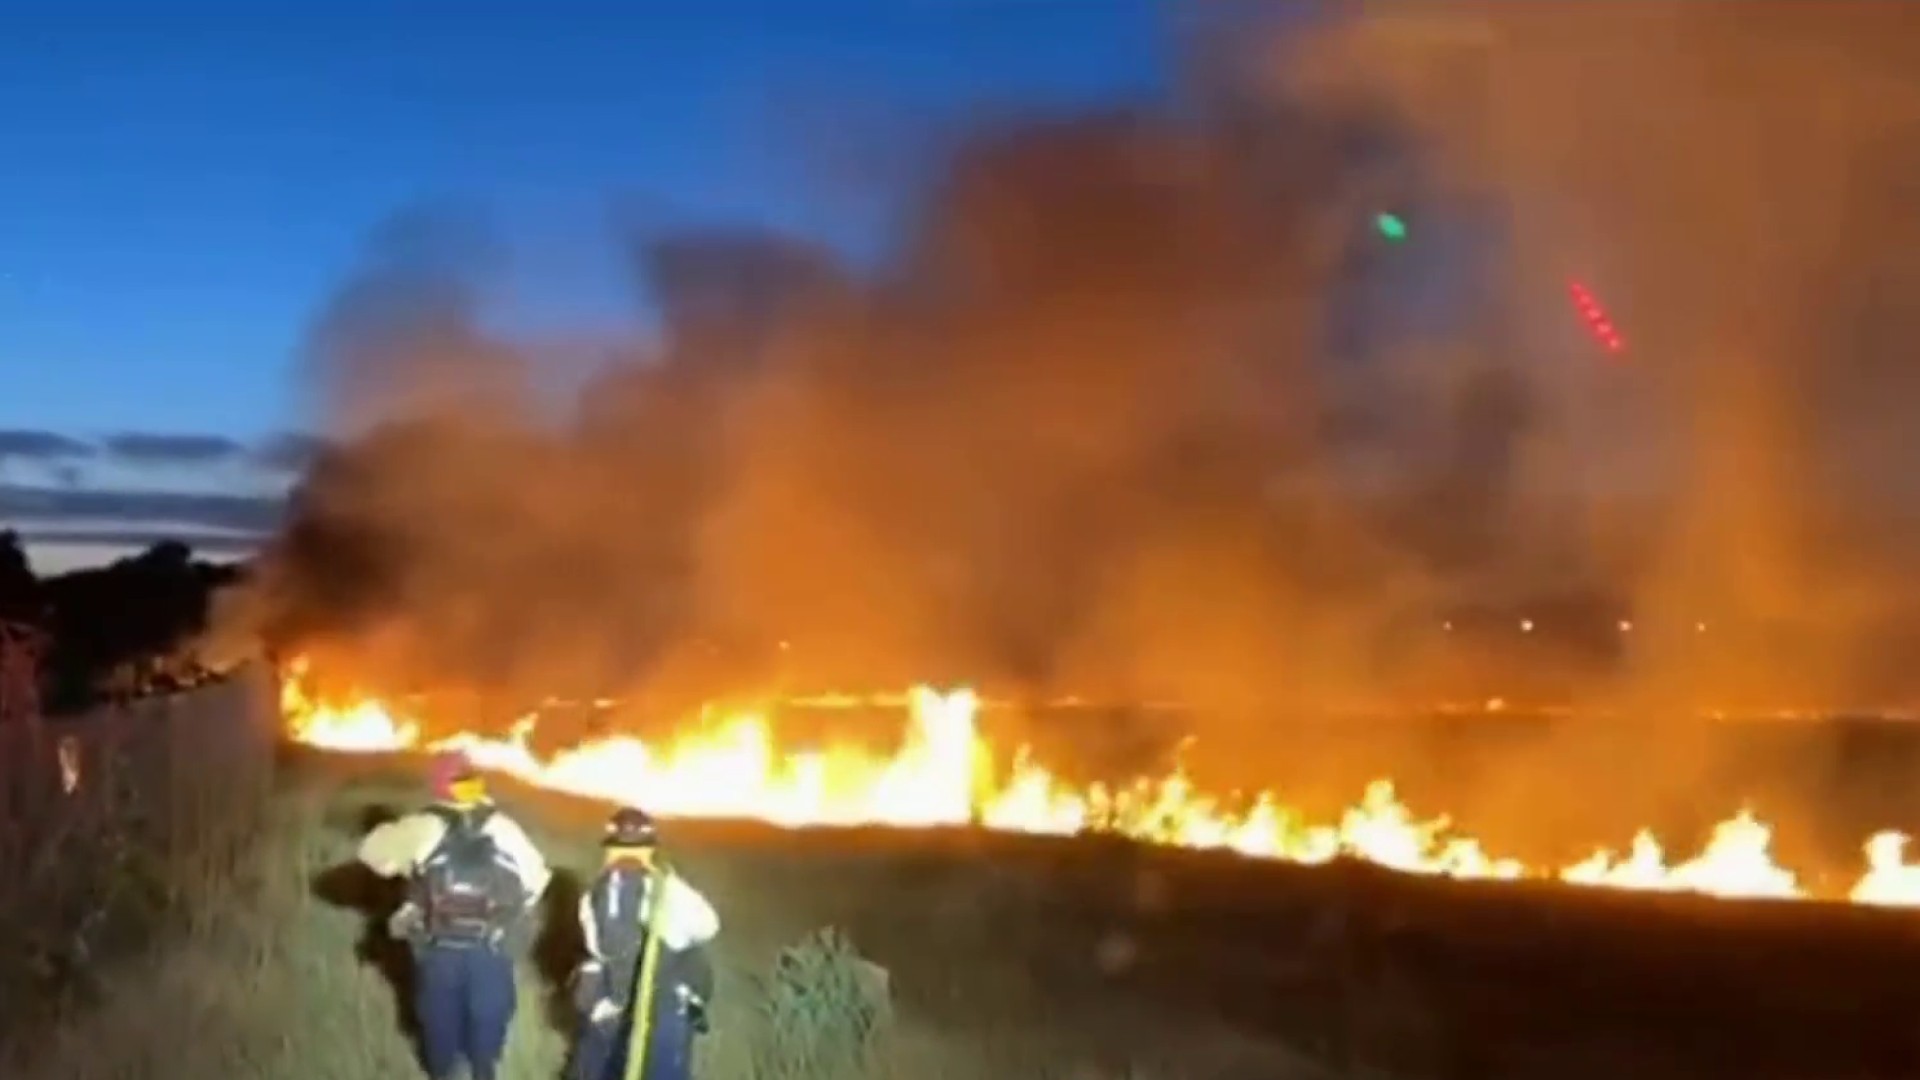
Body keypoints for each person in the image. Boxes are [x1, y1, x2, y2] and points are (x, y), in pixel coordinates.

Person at [358, 749, 552, 1080]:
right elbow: (538, 878)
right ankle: (483, 1069)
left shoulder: (424, 826)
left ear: (438, 786)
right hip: (491, 947)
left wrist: (410, 861)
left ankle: (442, 1071)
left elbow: (371, 855)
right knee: (489, 1017)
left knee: (438, 1020)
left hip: (437, 947)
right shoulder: (503, 827)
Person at [571, 805, 721, 1080]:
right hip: (622, 1004)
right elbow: (600, 951)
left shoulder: (666, 890)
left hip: (662, 1004)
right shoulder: (598, 896)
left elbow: (707, 926)